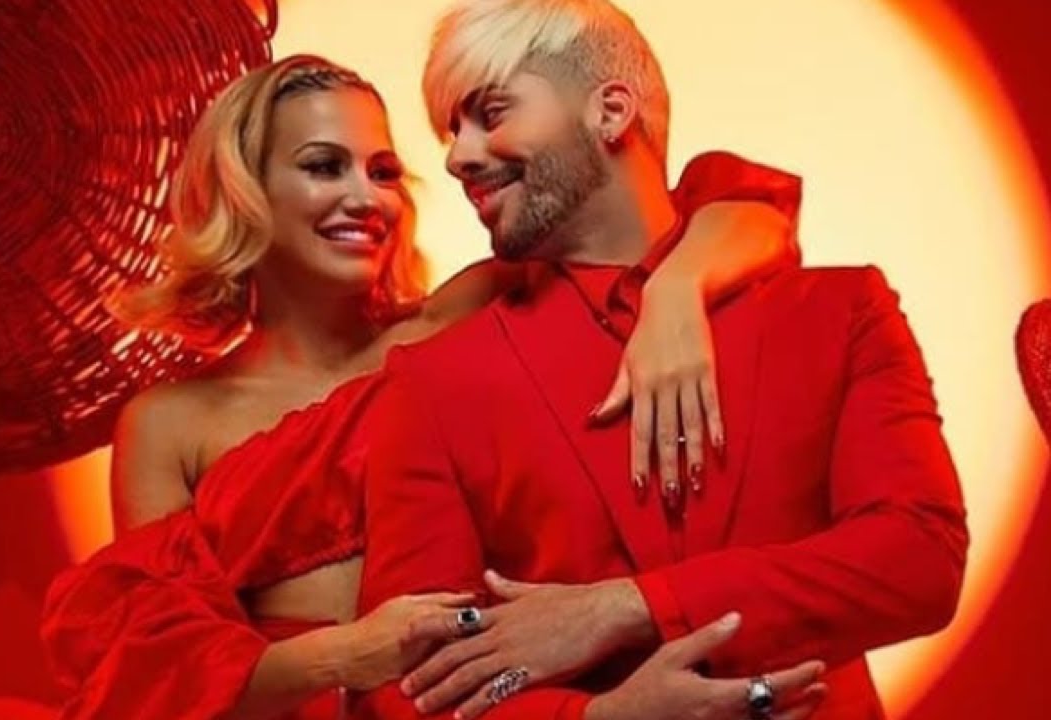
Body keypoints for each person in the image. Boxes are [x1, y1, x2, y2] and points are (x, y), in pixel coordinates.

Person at [41, 52, 804, 719]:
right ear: (244, 190)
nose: (367, 198)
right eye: (323, 166)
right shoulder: (169, 422)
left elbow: (734, 210)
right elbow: (161, 672)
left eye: (382, 172)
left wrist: (677, 290)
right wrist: (350, 655)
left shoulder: (459, 316)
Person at [356, 2, 969, 719]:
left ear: (610, 111)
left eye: (490, 113)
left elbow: (920, 560)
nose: (458, 156)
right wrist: (595, 718)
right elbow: (401, 685)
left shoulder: (840, 311)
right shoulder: (432, 379)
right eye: (451, 131)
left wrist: (628, 608)